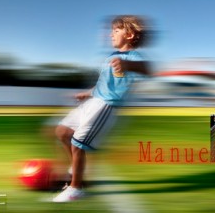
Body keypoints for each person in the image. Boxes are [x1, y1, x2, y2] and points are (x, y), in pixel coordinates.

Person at [52, 15, 152, 202]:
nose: (110, 34)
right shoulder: (111, 57)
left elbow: (146, 68)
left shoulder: (133, 56)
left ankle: (76, 189)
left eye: (116, 30)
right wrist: (87, 93)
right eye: (111, 30)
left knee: (78, 143)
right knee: (62, 132)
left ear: (129, 35)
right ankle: (76, 169)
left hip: (107, 105)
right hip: (93, 101)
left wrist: (128, 64)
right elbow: (103, 85)